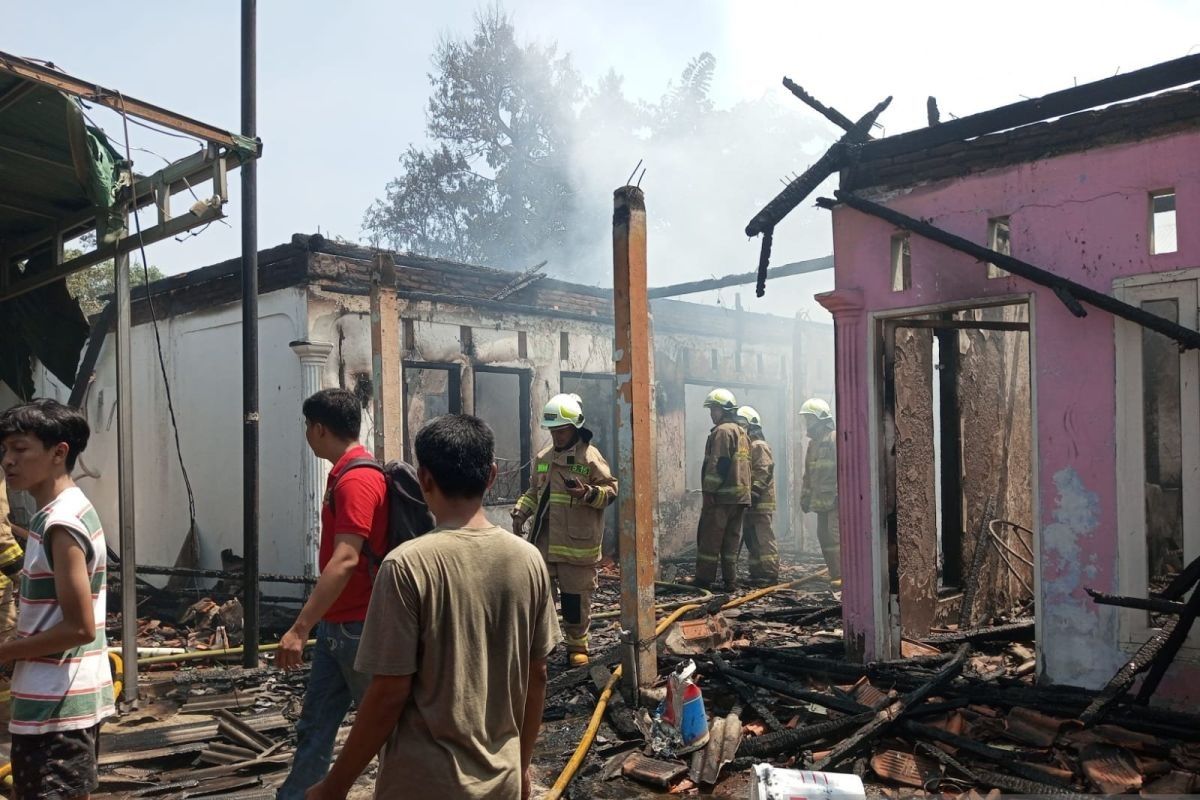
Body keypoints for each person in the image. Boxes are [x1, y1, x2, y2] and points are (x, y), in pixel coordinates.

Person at [307, 415, 559, 800]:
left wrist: (334, 786)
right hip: (502, 782)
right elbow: (537, 674)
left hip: (423, 784)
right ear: (491, 475)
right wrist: (522, 768)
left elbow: (389, 692)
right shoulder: (528, 560)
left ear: (424, 479)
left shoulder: (406, 565)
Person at [276, 389, 389, 800]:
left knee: (384, 732)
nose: (307, 434)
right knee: (316, 726)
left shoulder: (357, 479)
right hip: (337, 628)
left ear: (319, 428)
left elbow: (345, 560)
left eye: (308, 426)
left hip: (359, 628)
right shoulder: (343, 473)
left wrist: (298, 628)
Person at [0, 399, 115, 800]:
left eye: (20, 448)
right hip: (59, 701)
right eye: (6, 450)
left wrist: (7, 650)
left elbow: (79, 627)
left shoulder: (61, 523)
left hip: (56, 707)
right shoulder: (56, 514)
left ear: (58, 453)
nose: (8, 461)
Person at [511, 393, 618, 667]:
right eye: (554, 431)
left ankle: (576, 646)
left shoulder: (589, 457)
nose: (557, 437)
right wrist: (521, 511)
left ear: (575, 428)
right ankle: (542, 645)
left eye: (563, 431)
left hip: (577, 544)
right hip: (545, 542)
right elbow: (535, 492)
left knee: (575, 597)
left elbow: (611, 491)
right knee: (540, 596)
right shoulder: (544, 458)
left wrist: (587, 493)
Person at [684, 389, 751, 591]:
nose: (711, 414)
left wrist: (710, 492)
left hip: (722, 497)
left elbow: (719, 464)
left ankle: (704, 578)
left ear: (725, 410)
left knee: (710, 539)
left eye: (714, 409)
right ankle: (731, 580)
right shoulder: (742, 432)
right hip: (739, 497)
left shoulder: (722, 432)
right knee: (731, 540)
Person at [800, 398, 841, 588]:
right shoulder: (813, 445)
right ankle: (834, 573)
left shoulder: (834, 438)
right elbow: (808, 474)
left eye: (810, 418)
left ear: (820, 419)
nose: (807, 423)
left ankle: (841, 576)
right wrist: (805, 497)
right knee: (822, 536)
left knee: (834, 537)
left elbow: (844, 468)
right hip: (819, 500)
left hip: (834, 499)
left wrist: (842, 494)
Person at [737, 406, 779, 586]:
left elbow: (764, 471)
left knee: (763, 536)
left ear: (751, 425)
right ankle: (756, 572)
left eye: (742, 424)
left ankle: (770, 573)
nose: (740, 428)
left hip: (760, 501)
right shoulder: (747, 446)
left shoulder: (759, 445)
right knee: (751, 537)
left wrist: (754, 492)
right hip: (750, 501)